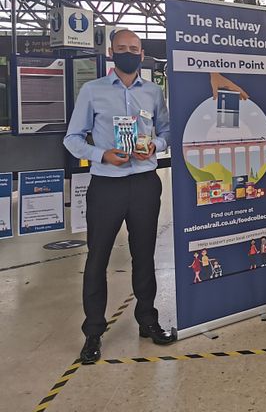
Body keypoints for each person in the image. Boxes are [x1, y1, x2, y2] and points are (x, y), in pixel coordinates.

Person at [63, 29, 176, 365]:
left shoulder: (154, 91)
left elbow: (167, 129)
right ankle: (93, 333)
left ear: (142, 55)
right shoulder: (92, 91)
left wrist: (157, 145)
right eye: (122, 48)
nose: (129, 53)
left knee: (145, 255)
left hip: (144, 182)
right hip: (106, 185)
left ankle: (148, 320)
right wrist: (101, 155)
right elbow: (72, 139)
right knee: (97, 259)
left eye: (134, 49)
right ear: (112, 52)